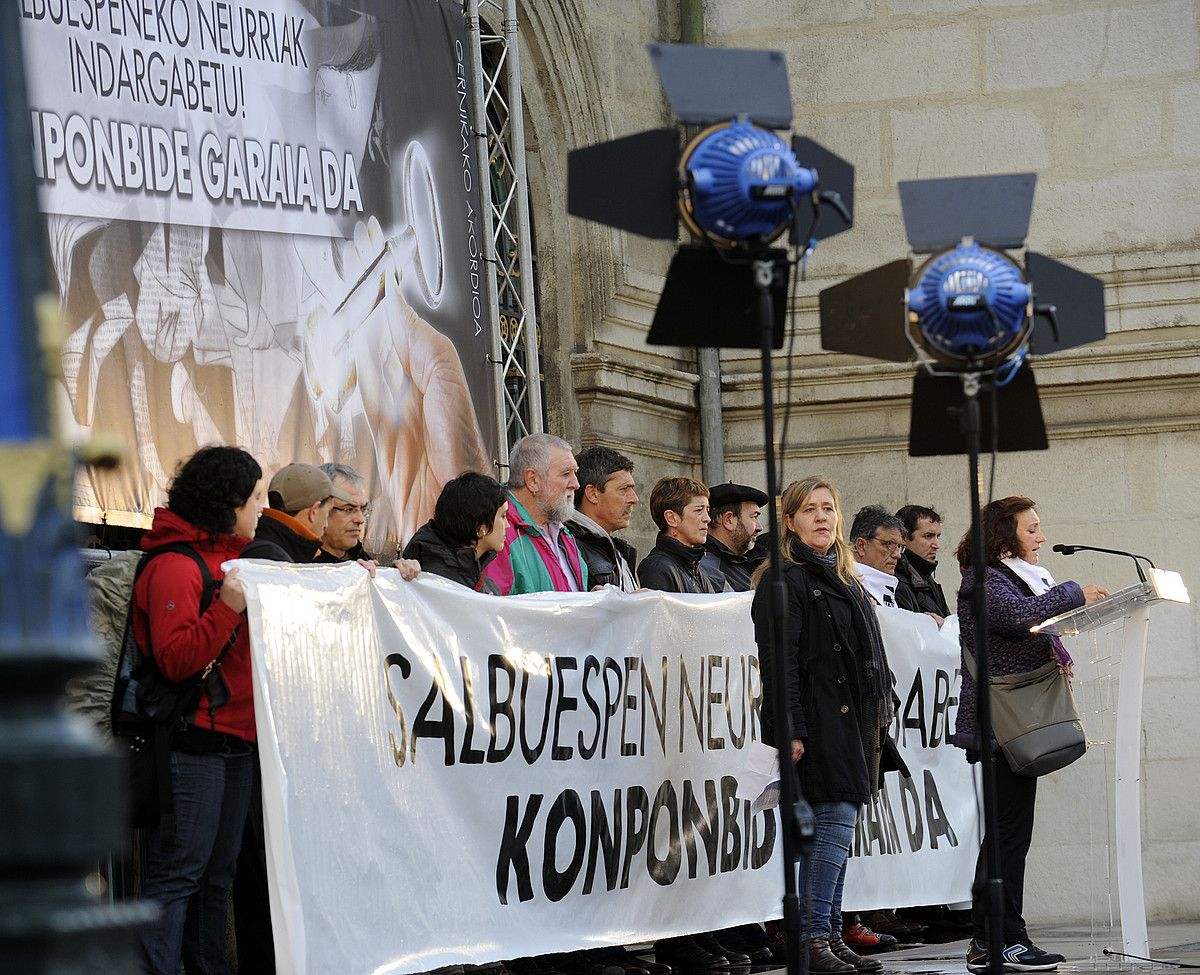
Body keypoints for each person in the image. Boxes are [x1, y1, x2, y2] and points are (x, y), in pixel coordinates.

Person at [950, 497, 1108, 974]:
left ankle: (996, 939)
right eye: (1032, 529)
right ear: (1005, 533)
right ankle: (999, 940)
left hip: (1017, 722)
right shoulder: (984, 578)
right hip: (1002, 725)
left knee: (1010, 836)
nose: (1041, 537)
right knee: (1005, 838)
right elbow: (1019, 618)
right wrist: (1074, 592)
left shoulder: (1006, 576)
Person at [752, 476, 895, 975]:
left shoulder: (845, 579)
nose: (821, 517)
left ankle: (830, 933)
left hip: (855, 719)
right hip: (818, 719)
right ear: (788, 522)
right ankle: (812, 938)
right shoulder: (784, 581)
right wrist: (789, 729)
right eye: (809, 509)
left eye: (828, 508)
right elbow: (779, 664)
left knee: (841, 827)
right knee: (831, 828)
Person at [132, 446, 265, 974]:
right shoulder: (174, 566)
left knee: (215, 881)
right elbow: (175, 659)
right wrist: (227, 608)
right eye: (255, 498)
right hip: (192, 746)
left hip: (234, 743)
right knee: (178, 879)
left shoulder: (230, 561)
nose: (262, 508)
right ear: (229, 502)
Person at [484, 433, 588, 594]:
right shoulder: (499, 533)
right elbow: (496, 612)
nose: (576, 484)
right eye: (566, 473)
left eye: (575, 473)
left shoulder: (564, 533)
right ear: (532, 480)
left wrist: (596, 600)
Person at [402, 472, 507, 592]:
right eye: (503, 516)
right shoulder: (429, 579)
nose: (508, 525)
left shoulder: (489, 589)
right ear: (480, 526)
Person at [316, 462, 422, 577]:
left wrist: (395, 575)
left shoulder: (362, 559)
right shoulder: (299, 566)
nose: (360, 520)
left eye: (363, 509)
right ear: (318, 510)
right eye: (348, 509)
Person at [568, 446, 641, 592]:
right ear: (593, 494)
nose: (634, 499)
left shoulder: (617, 551)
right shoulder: (568, 547)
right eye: (623, 489)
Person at [638, 477, 722, 595]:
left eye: (707, 510)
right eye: (698, 510)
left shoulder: (697, 569)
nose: (707, 519)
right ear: (672, 518)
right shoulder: (657, 569)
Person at [700, 482, 768, 592]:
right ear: (728, 520)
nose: (760, 527)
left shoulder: (738, 563)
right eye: (754, 517)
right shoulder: (712, 572)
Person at [849, 505, 918, 612]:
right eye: (888, 544)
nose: (897, 555)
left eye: (899, 547)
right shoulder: (844, 590)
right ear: (861, 546)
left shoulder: (901, 591)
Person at [894, 505, 949, 619]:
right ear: (903, 538)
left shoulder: (925, 577)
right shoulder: (897, 582)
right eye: (928, 536)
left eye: (937, 536)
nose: (936, 545)